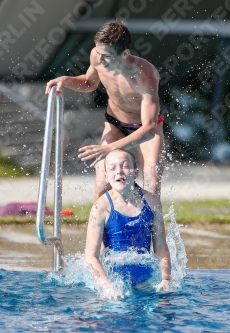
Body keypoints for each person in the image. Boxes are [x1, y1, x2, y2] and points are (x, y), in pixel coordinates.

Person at [45, 20, 165, 201]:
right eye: (98, 52)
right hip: (115, 123)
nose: (100, 60)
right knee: (102, 186)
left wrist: (109, 148)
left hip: (144, 128)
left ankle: (152, 229)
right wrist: (65, 80)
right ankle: (99, 228)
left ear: (125, 53)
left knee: (152, 187)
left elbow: (148, 130)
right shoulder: (98, 56)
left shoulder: (145, 74)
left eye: (107, 56)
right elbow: (89, 83)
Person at [84, 148, 171, 296]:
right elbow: (91, 257)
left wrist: (166, 279)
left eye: (125, 166)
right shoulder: (101, 207)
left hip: (146, 279)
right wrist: (108, 287)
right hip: (113, 280)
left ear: (136, 173)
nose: (119, 171)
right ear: (106, 177)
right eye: (112, 168)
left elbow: (161, 246)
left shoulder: (152, 202)